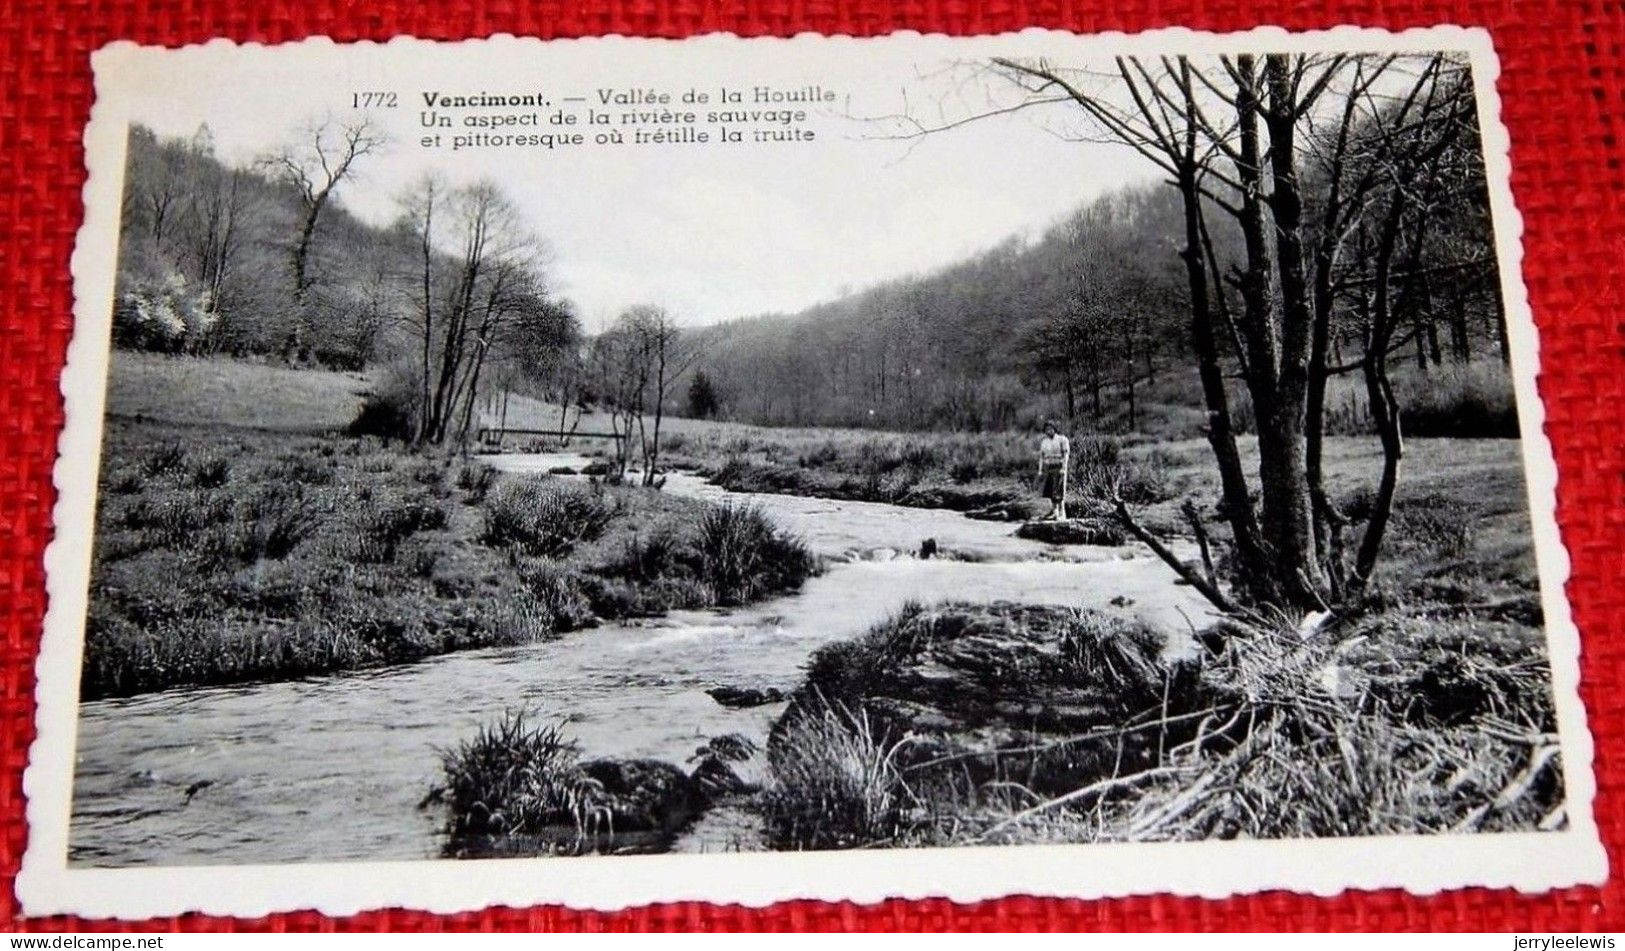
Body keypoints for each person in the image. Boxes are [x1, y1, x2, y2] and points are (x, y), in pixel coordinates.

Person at [1037, 419, 1070, 521]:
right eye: (1047, 429)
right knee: (1050, 490)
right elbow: (1041, 457)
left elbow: (1066, 454)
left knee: (1059, 490)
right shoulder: (1044, 442)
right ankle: (1054, 512)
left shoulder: (1062, 439)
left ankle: (1062, 513)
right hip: (1048, 467)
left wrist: (1064, 467)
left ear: (1055, 429)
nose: (1049, 431)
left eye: (1051, 429)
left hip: (1058, 466)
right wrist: (1040, 470)